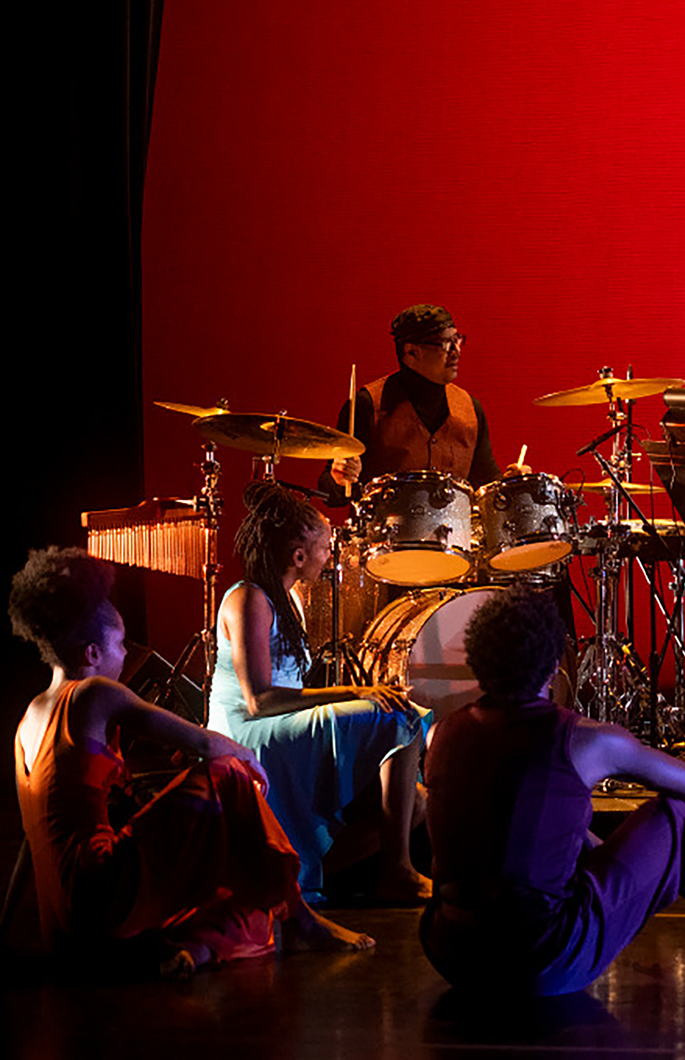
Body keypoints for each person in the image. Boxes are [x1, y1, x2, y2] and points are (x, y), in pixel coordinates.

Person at [419, 586, 685, 996]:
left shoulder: (440, 734)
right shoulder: (584, 739)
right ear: (556, 664)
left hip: (455, 956)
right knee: (675, 818)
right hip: (541, 960)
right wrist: (666, 867)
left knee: (552, 835)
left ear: (477, 661)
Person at [11, 547, 371, 974]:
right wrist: (244, 767)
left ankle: (189, 950)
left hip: (65, 927)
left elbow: (37, 841)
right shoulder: (93, 693)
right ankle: (301, 919)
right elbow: (211, 744)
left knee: (252, 909)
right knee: (230, 773)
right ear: (91, 654)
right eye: (121, 644)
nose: (126, 654)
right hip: (102, 893)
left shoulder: (30, 716)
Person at [210, 482, 431, 904]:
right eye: (326, 547)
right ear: (298, 556)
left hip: (278, 722)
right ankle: (397, 872)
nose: (330, 555)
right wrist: (354, 692)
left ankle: (300, 875)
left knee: (414, 804)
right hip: (250, 729)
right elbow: (259, 701)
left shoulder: (289, 599)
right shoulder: (248, 599)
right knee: (401, 718)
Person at [318, 303, 519, 500]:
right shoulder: (366, 405)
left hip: (457, 532)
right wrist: (339, 481)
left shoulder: (471, 408)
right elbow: (330, 492)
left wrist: (511, 484)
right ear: (412, 352)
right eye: (445, 344)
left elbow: (485, 483)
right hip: (383, 531)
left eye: (457, 340)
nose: (456, 351)